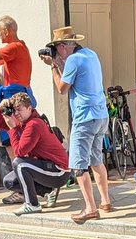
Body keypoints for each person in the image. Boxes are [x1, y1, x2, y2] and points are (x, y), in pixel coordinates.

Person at [43, 26, 111, 223]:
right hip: (101, 115)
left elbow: (62, 89)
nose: (57, 52)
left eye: (56, 48)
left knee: (79, 165)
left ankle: (90, 208)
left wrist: (54, 66)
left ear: (63, 46)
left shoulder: (72, 60)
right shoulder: (91, 54)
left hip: (84, 117)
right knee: (96, 159)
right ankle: (105, 201)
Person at [0, 92, 70, 215]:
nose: (16, 114)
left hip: (59, 172)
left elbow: (19, 152)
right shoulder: (21, 122)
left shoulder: (34, 125)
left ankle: (32, 204)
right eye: (14, 110)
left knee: (19, 164)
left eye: (19, 110)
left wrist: (12, 128)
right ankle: (48, 190)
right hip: (45, 166)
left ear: (29, 108)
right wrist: (0, 108)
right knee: (9, 181)